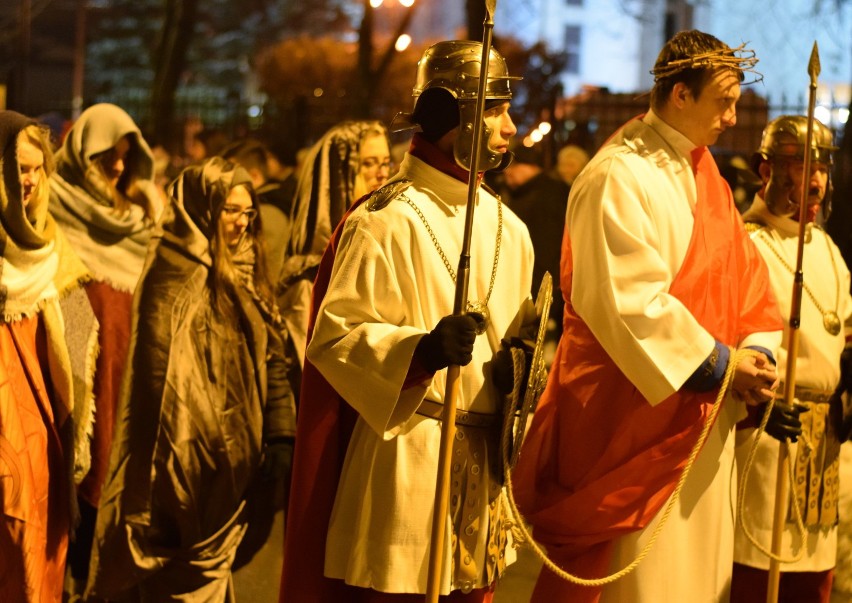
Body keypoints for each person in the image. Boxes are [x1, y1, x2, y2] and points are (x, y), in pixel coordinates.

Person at [511, 30, 785, 602]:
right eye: (724, 101)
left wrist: (757, 354)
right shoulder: (618, 174)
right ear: (680, 95)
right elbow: (624, 302)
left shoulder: (702, 172)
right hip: (633, 421)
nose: (733, 118)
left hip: (699, 419)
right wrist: (721, 365)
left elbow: (747, 280)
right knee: (637, 581)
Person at [280, 40, 536, 602]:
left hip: (484, 467)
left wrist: (525, 362)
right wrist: (420, 351)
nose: (510, 127)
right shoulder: (384, 220)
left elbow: (520, 359)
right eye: (493, 109)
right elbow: (335, 338)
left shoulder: (510, 229)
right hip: (409, 456)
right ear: (452, 113)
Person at [86, 157, 297, 602]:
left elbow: (271, 356)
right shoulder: (171, 273)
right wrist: (204, 450)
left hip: (236, 474)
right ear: (201, 208)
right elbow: (161, 384)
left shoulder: (248, 269)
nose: (241, 223)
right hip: (183, 475)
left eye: (247, 213)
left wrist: (280, 432)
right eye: (230, 211)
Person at [732, 115, 852, 602]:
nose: (817, 179)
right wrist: (756, 407)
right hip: (768, 435)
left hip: (823, 444)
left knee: (814, 581)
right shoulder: (747, 245)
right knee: (760, 579)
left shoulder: (826, 248)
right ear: (767, 170)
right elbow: (733, 339)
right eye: (801, 165)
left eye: (823, 165)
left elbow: (842, 327)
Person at [47, 103, 162, 593]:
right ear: (80, 155)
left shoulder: (141, 219)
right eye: (105, 157)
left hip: (126, 375)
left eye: (124, 157)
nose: (117, 167)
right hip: (74, 378)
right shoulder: (52, 210)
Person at [0, 111, 98, 602]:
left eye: (38, 169)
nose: (31, 180)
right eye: (19, 168)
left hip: (45, 446)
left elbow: (76, 348)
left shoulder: (53, 248)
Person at [278, 120, 391, 369]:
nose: (382, 174)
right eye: (369, 163)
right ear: (339, 174)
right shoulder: (308, 277)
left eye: (385, 163)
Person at [501, 142, 570, 355]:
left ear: (529, 167)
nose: (507, 174)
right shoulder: (552, 190)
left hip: (541, 283)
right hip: (552, 282)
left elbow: (546, 246)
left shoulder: (539, 196)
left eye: (512, 168)